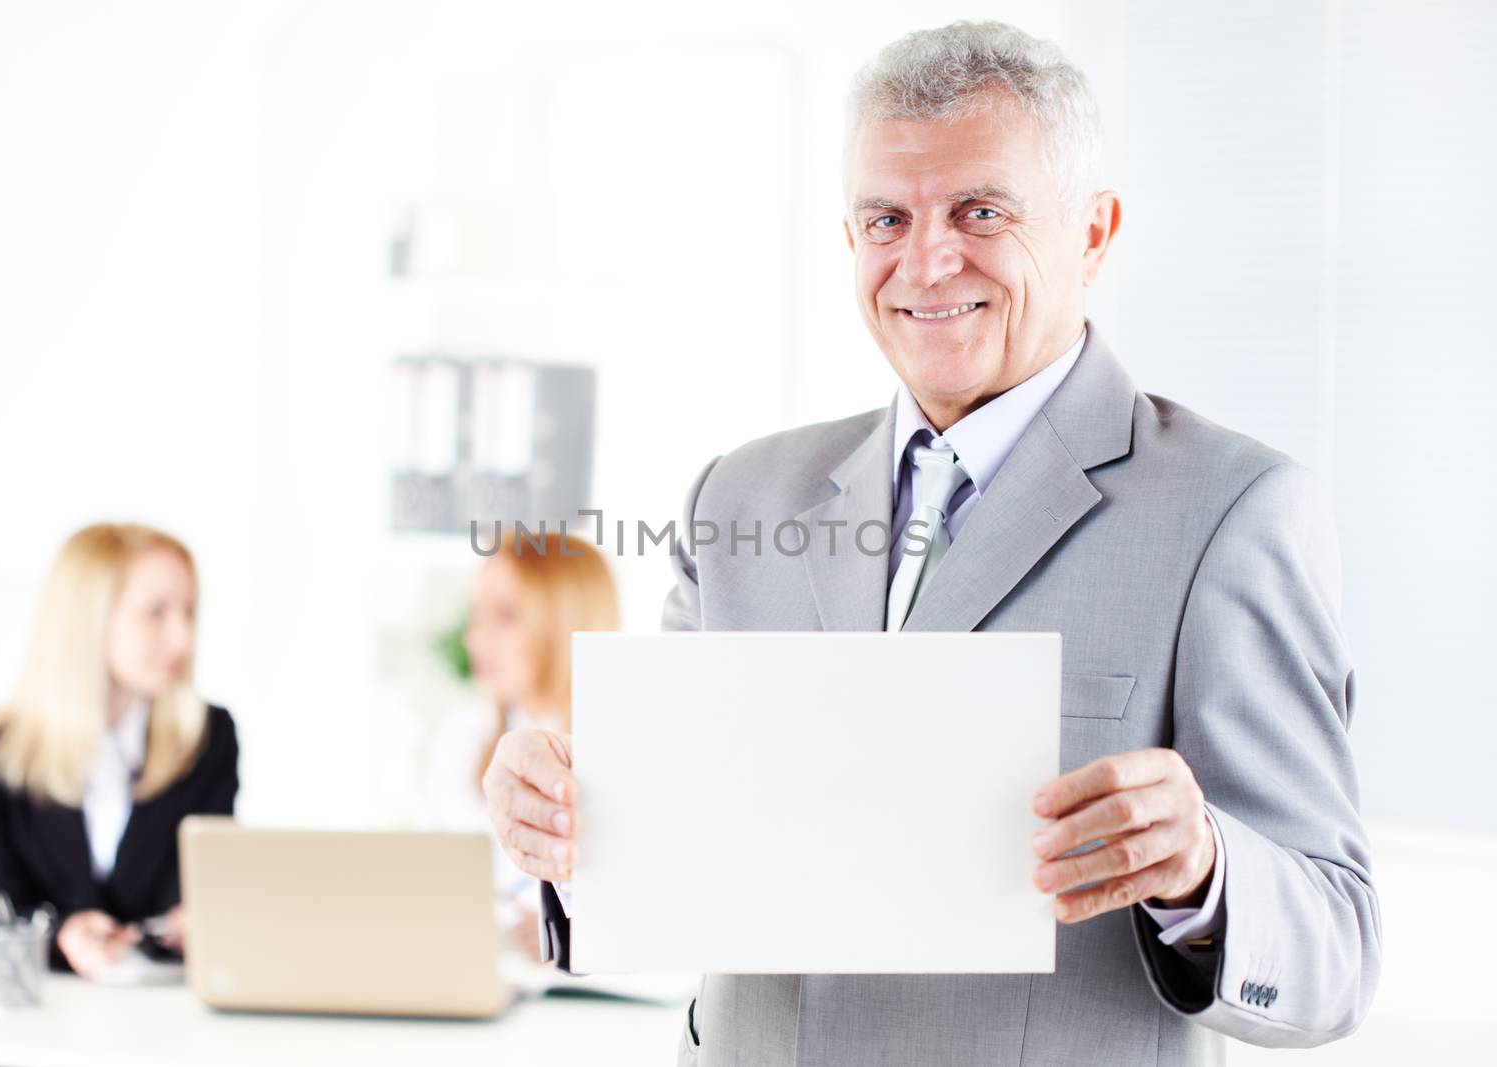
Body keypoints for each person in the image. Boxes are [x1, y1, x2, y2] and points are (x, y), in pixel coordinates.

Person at [481, 18, 1380, 1066]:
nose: (927, 257)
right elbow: (668, 867)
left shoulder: (1231, 509)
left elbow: (1334, 957)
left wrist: (1203, 864)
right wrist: (557, 827)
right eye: (884, 218)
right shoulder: (741, 495)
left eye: (979, 209)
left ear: (1093, 233)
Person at [0, 523, 238, 983]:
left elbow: (207, 885)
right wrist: (62, 935)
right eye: (156, 612)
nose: (182, 638)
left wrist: (200, 922)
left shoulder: (206, 738)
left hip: (132, 1012)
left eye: (188, 612)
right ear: (89, 621)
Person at [419, 527, 618, 961]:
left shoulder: (622, 747)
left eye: (506, 616)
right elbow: (425, 884)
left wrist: (574, 934)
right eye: (476, 617)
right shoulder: (464, 736)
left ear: (565, 622)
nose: (476, 639)